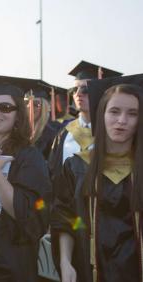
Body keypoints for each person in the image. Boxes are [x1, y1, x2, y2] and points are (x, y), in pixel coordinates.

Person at [51, 74, 143, 282]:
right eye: (114, 111)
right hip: (89, 270)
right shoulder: (76, 167)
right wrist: (65, 262)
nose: (122, 120)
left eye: (132, 113)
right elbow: (65, 219)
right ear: (101, 114)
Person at [0, 75, 51, 281]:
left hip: (8, 262)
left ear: (18, 116)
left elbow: (26, 213)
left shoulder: (29, 157)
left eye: (5, 107)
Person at [48, 61, 123, 188]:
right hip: (66, 206)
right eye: (74, 89)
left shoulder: (117, 133)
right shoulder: (65, 133)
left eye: (86, 89)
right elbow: (53, 175)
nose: (78, 94)